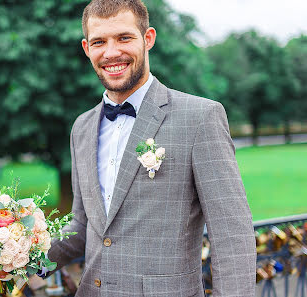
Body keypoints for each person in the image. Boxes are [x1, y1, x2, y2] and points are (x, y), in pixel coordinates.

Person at [46, 0, 256, 296]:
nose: (111, 52)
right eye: (99, 42)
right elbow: (83, 225)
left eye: (124, 38)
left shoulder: (200, 118)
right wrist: (20, 262)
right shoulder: (81, 127)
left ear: (148, 39)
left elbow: (231, 235)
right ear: (86, 48)